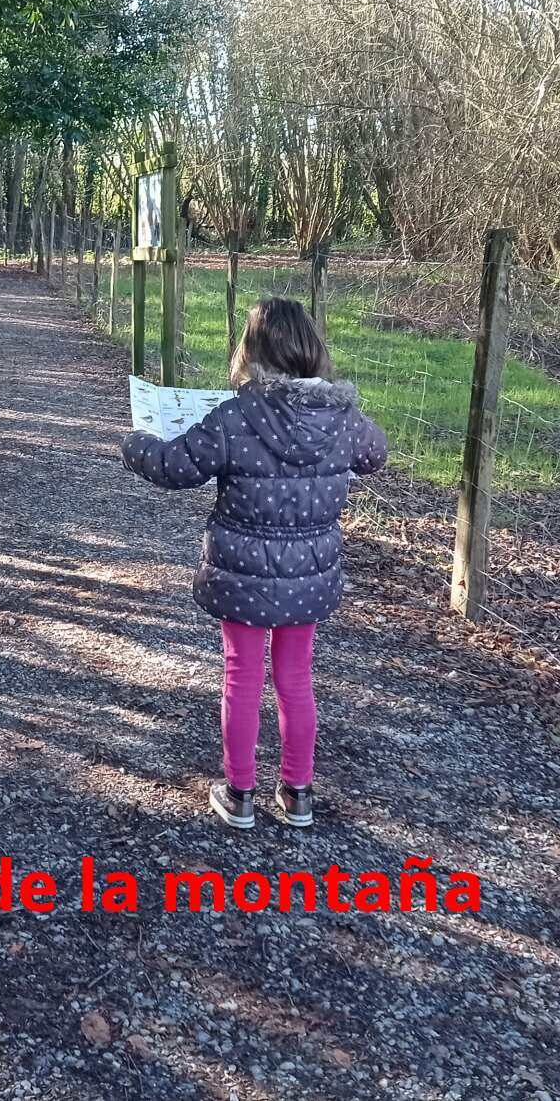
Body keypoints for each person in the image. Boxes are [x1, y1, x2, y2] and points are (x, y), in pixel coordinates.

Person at [120, 297, 388, 829]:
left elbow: (175, 467)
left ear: (252, 351)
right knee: (296, 677)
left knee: (242, 675)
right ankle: (298, 792)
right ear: (311, 349)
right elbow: (374, 455)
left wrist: (135, 443)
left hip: (241, 573)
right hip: (310, 573)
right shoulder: (343, 417)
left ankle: (240, 793)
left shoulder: (237, 414)